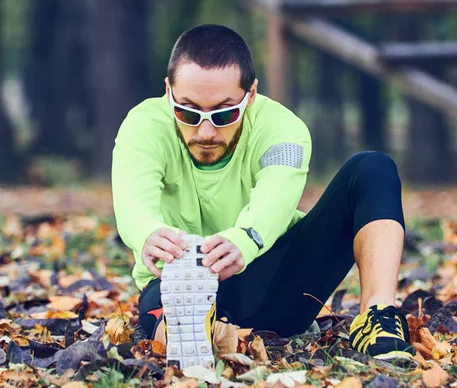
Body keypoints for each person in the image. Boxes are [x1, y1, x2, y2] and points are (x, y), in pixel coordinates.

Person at [112, 24, 414, 369]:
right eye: (188, 112)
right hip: (179, 282)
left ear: (251, 94)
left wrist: (244, 241)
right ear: (168, 92)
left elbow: (277, 195)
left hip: (279, 280)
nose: (205, 131)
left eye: (224, 113)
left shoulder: (283, 130)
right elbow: (133, 197)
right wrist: (148, 233)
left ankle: (377, 315)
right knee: (165, 311)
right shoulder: (143, 126)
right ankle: (199, 331)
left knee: (372, 168)